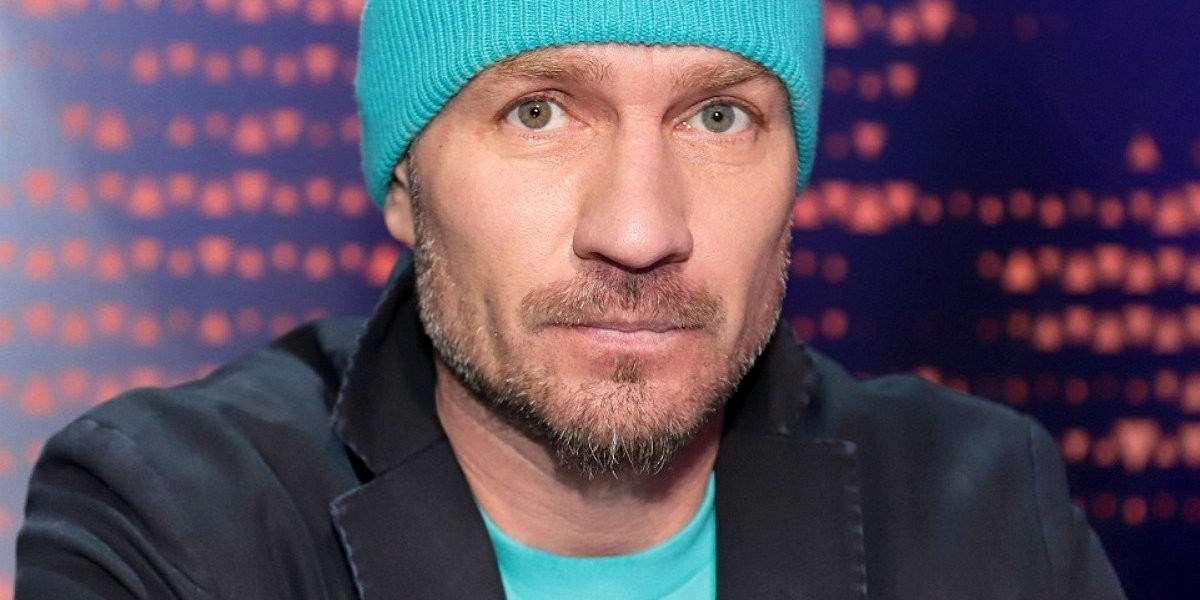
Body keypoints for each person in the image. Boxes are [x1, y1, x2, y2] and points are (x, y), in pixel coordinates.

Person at [16, 0, 1124, 598]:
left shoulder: (983, 515)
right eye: (539, 112)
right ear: (404, 185)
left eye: (719, 117)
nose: (639, 232)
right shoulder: (177, 523)